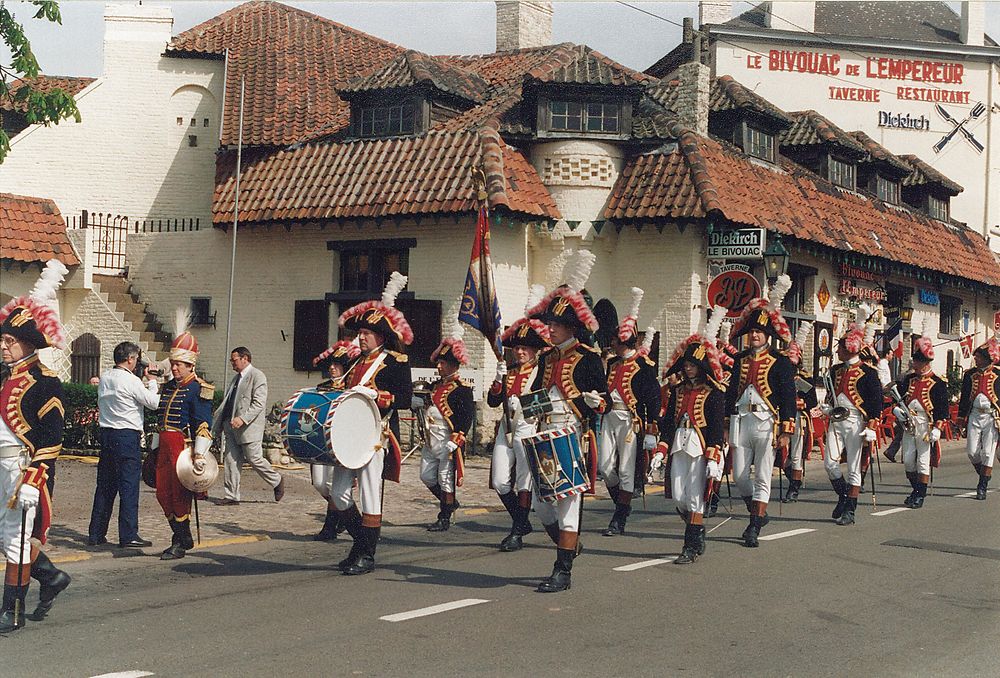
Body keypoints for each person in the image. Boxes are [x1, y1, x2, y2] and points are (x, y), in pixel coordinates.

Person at [525, 249, 606, 592]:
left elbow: (605, 401)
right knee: (543, 508)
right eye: (550, 324)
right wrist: (521, 408)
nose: (551, 329)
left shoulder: (588, 358)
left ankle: (562, 571)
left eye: (556, 325)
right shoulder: (545, 358)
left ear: (571, 327)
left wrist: (593, 401)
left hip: (572, 436)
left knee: (569, 505)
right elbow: (534, 397)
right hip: (544, 434)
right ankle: (568, 547)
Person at [0, 260, 72, 631]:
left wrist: (33, 478)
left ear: (28, 343)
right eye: (3, 340)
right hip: (1, 469)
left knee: (18, 541)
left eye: (9, 341)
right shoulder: (4, 376)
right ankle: (52, 578)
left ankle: (11, 612)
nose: (4, 346)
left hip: (23, 473)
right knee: (8, 538)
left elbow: (50, 439)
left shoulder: (46, 383)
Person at [333, 272, 413, 575]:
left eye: (367, 333)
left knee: (368, 495)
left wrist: (377, 394)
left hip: (374, 436)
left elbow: (404, 400)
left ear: (381, 336)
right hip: (348, 436)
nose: (361, 336)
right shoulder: (354, 363)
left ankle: (367, 554)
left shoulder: (395, 362)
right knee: (339, 494)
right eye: (360, 332)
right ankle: (360, 542)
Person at [726, 276, 796, 547]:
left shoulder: (780, 362)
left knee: (763, 475)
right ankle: (756, 511)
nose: (754, 335)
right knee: (740, 476)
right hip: (741, 421)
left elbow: (788, 398)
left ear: (768, 335)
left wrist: (787, 431)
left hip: (767, 423)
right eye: (752, 331)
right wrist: (723, 423)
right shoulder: (740, 360)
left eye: (759, 332)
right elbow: (732, 392)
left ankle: (754, 525)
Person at [657, 307, 728, 564]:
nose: (687, 369)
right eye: (685, 365)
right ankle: (697, 532)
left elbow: (717, 427)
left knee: (696, 496)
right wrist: (660, 450)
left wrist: (714, 456)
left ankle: (689, 545)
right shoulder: (677, 391)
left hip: (700, 448)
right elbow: (668, 423)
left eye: (692, 365)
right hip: (679, 445)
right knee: (678, 496)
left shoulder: (714, 392)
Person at [487, 287, 550, 551]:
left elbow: (544, 403)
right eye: (518, 347)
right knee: (501, 480)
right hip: (506, 426)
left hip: (528, 426)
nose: (520, 352)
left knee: (524, 479)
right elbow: (492, 401)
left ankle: (516, 531)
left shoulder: (541, 372)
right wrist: (499, 381)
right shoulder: (508, 370)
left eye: (525, 348)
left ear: (535, 351)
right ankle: (520, 520)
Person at [598, 288, 660, 537]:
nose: (613, 343)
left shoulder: (645, 365)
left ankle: (619, 517)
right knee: (604, 467)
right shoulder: (613, 363)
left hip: (630, 421)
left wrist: (651, 428)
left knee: (625, 470)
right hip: (609, 417)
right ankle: (621, 506)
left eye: (616, 340)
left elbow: (653, 398)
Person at [153, 314, 214, 560]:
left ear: (191, 365)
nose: (174, 367)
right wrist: (154, 449)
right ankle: (182, 535)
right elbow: (161, 420)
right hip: (164, 445)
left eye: (179, 364)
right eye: (173, 363)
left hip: (182, 448)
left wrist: (200, 454)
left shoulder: (199, 388)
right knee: (161, 493)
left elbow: (203, 424)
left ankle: (179, 540)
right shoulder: (168, 387)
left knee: (179, 496)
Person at [88, 342, 160, 548]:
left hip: (107, 434)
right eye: (136, 359)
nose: (137, 362)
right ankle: (128, 534)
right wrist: (152, 381)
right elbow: (153, 403)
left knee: (105, 486)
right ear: (129, 359)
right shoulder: (132, 380)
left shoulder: (106, 377)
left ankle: (96, 533)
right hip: (127, 436)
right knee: (128, 487)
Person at [821, 321, 882, 525]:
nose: (837, 351)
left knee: (854, 467)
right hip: (836, 420)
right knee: (830, 463)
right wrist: (827, 407)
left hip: (856, 422)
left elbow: (876, 402)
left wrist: (872, 427)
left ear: (849, 349)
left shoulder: (869, 372)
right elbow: (831, 395)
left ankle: (850, 511)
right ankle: (844, 496)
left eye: (839, 347)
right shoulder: (835, 370)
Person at [419, 325, 474, 532]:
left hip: (447, 440)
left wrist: (457, 439)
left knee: (445, 479)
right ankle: (449, 503)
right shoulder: (434, 386)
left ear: (453, 365)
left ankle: (444, 515)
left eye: (443, 363)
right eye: (439, 363)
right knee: (426, 476)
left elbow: (466, 418)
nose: (439, 367)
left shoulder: (461, 390)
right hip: (431, 439)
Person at [214, 347, 283, 505]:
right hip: (231, 426)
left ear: (245, 358)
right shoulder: (235, 379)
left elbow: (259, 403)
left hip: (248, 428)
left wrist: (243, 419)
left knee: (254, 459)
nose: (232, 363)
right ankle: (231, 495)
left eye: (234, 360)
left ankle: (276, 480)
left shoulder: (257, 376)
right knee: (230, 460)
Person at [310, 340, 360, 539]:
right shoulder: (322, 388)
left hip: (341, 443)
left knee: (334, 484)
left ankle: (330, 527)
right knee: (319, 484)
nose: (332, 368)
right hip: (321, 442)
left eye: (337, 365)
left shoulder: (351, 389)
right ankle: (343, 515)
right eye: (331, 365)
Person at [894, 328, 949, 509]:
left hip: (926, 425)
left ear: (925, 362)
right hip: (909, 424)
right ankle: (916, 490)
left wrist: (938, 429)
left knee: (922, 461)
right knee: (908, 461)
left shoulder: (939, 383)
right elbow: (899, 400)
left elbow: (942, 409)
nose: (914, 363)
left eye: (917, 361)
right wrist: (897, 412)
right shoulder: (908, 380)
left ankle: (920, 496)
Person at [958, 338, 1000, 500]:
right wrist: (961, 418)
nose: (976, 359)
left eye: (979, 357)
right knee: (972, 452)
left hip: (992, 416)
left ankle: (982, 485)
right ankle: (985, 474)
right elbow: (964, 398)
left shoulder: (998, 374)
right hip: (975, 415)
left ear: (987, 358)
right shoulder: (970, 375)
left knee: (988, 452)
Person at [782, 323, 817, 503]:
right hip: (781, 417)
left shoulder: (805, 377)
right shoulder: (779, 376)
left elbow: (813, 401)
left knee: (796, 454)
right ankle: (794, 477)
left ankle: (793, 488)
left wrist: (802, 402)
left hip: (798, 418)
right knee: (779, 454)